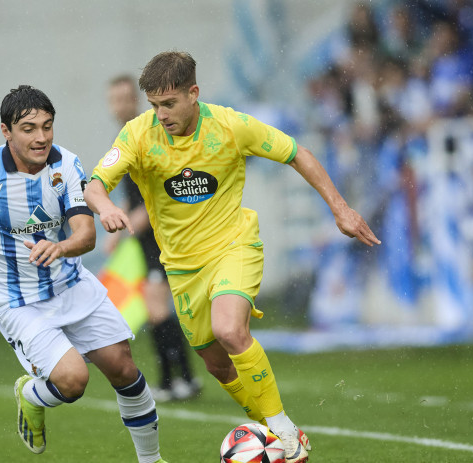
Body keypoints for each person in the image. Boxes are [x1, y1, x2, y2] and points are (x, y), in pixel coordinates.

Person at [84, 51, 381, 463]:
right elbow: (95, 183)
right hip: (182, 268)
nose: (161, 114)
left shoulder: (231, 125)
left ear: (194, 93)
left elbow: (296, 152)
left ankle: (283, 431)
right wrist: (106, 207)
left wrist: (341, 209)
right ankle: (278, 437)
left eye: (169, 104)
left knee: (230, 329)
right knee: (218, 366)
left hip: (232, 247)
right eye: (154, 105)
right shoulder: (137, 133)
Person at [0, 85, 167, 463]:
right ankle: (30, 396)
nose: (41, 137)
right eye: (29, 128)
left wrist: (61, 247)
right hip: (16, 300)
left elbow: (85, 234)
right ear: (6, 131)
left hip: (70, 284)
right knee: (73, 381)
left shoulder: (66, 165)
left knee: (125, 369)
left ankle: (152, 461)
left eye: (47, 126)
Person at [106, 74, 201, 402]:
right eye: (114, 99)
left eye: (124, 98)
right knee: (160, 309)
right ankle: (185, 379)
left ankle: (172, 381)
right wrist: (121, 219)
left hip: (160, 237)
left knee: (158, 309)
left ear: (135, 99)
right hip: (147, 239)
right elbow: (133, 194)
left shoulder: (149, 134)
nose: (120, 105)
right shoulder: (128, 136)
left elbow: (155, 196)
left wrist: (126, 225)